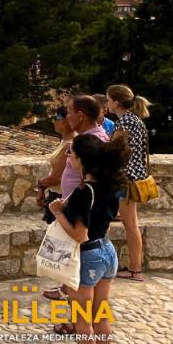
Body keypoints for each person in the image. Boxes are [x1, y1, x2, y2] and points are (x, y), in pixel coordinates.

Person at [49, 132, 129, 344]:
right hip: (107, 251)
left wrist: (58, 212)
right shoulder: (109, 185)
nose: (68, 157)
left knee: (83, 323)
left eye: (71, 153)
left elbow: (79, 234)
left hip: (87, 256)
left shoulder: (85, 191)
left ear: (81, 159)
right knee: (101, 317)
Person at [42, 95, 109, 305]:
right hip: (82, 208)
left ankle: (76, 320)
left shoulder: (88, 142)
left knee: (78, 264)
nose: (67, 116)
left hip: (80, 209)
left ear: (80, 116)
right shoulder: (94, 136)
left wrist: (59, 211)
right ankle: (67, 294)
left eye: (69, 112)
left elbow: (90, 178)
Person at [106, 84, 152, 282]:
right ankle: (134, 268)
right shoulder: (135, 120)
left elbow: (114, 152)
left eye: (108, 100)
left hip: (125, 180)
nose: (106, 103)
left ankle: (135, 270)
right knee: (130, 224)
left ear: (116, 102)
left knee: (131, 225)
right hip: (133, 178)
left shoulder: (124, 123)